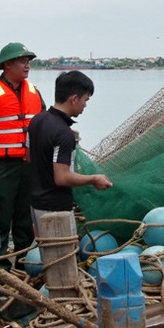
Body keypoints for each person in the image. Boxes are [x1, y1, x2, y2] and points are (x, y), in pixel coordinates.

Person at [0, 42, 44, 271]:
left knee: (25, 219)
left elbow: (43, 124)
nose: (27, 66)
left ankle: (26, 265)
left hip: (27, 164)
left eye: (28, 61)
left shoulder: (34, 91)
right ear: (7, 64)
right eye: (22, 61)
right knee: (1, 219)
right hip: (0, 166)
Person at [27, 71, 112, 233]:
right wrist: (94, 179)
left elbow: (29, 156)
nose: (85, 105)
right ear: (74, 99)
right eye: (85, 100)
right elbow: (62, 177)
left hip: (36, 205)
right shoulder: (63, 133)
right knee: (62, 257)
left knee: (48, 254)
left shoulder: (36, 121)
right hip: (56, 210)